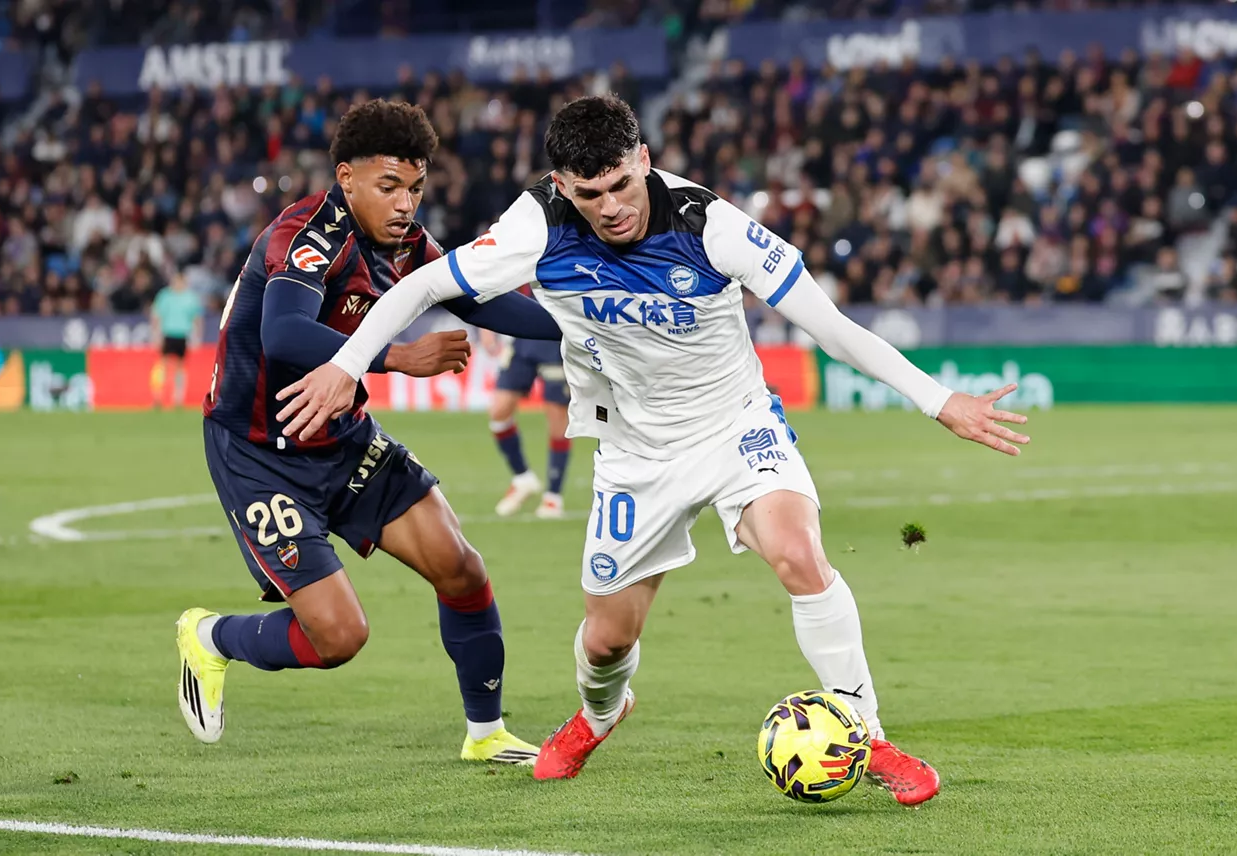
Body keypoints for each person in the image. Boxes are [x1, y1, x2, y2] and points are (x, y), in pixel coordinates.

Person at [273, 96, 1031, 804]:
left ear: (642, 158)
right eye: (588, 194)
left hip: (735, 426)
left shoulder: (712, 224)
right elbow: (419, 290)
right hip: (634, 451)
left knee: (801, 555)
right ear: (562, 185)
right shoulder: (539, 223)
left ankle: (870, 739)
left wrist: (939, 400)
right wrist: (346, 366)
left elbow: (830, 325)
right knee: (607, 641)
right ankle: (599, 715)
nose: (609, 207)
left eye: (618, 185)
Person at [177, 99, 562, 766]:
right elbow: (284, 332)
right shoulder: (306, 237)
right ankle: (211, 638)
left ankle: (486, 733)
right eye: (389, 187)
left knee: (461, 569)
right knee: (338, 637)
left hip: (342, 436)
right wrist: (396, 357)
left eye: (415, 187)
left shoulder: (408, 245)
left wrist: (589, 322)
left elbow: (478, 298)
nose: (405, 203)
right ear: (345, 176)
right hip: (260, 452)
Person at [483, 294, 573, 519]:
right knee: (499, 410)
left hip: (556, 332)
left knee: (557, 418)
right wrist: (485, 326)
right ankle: (523, 478)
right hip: (521, 333)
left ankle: (553, 496)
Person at [150, 271, 204, 409]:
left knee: (180, 367)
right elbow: (156, 316)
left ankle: (178, 398)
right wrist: (156, 334)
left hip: (182, 335)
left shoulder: (190, 297)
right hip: (168, 333)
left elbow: (197, 318)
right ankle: (158, 396)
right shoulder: (165, 295)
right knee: (163, 365)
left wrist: (197, 336)